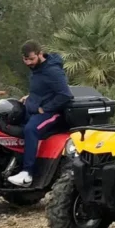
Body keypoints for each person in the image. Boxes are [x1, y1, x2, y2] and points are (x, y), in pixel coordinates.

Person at [7, 40, 74, 187]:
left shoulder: (52, 71)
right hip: (34, 108)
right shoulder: (36, 69)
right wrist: (29, 97)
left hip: (52, 113)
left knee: (31, 129)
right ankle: (10, 166)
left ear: (40, 54)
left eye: (32, 59)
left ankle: (27, 174)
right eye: (26, 59)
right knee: (8, 122)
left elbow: (65, 95)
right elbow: (42, 89)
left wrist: (45, 108)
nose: (29, 62)